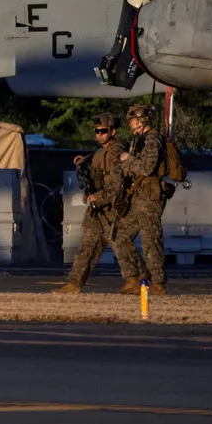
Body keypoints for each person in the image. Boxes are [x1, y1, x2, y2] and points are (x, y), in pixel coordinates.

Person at [53, 113, 146, 294]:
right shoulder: (101, 152)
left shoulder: (115, 152)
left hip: (111, 207)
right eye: (97, 131)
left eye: (103, 131)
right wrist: (84, 164)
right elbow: (97, 174)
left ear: (113, 131)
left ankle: (137, 279)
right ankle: (75, 283)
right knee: (88, 245)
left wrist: (100, 198)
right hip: (99, 208)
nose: (99, 134)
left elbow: (117, 184)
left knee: (120, 244)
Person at [116, 103, 168, 295]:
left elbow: (147, 168)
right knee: (120, 235)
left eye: (132, 120)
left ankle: (157, 282)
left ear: (139, 121)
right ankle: (136, 276)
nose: (130, 124)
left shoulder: (152, 141)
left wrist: (127, 158)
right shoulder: (139, 140)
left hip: (150, 197)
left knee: (150, 240)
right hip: (137, 197)